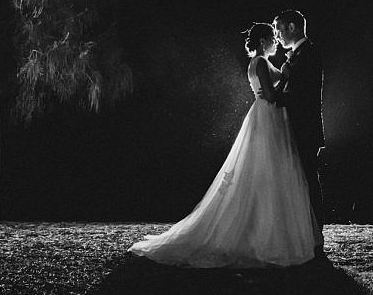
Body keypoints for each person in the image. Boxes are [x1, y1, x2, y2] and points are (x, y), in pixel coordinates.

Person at [128, 23, 317, 267]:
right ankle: (266, 234)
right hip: (268, 116)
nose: (276, 41)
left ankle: (264, 229)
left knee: (263, 172)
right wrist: (286, 77)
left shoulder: (258, 62)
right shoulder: (260, 62)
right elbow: (270, 96)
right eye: (272, 37)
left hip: (266, 116)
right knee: (268, 170)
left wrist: (283, 75)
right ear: (262, 41)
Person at [272, 8, 325, 258]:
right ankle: (304, 234)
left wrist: (272, 98)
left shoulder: (308, 54)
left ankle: (315, 236)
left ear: (291, 27)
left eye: (279, 29)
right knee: (301, 180)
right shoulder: (300, 54)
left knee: (308, 179)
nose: (277, 36)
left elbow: (301, 95)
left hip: (304, 128)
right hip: (297, 127)